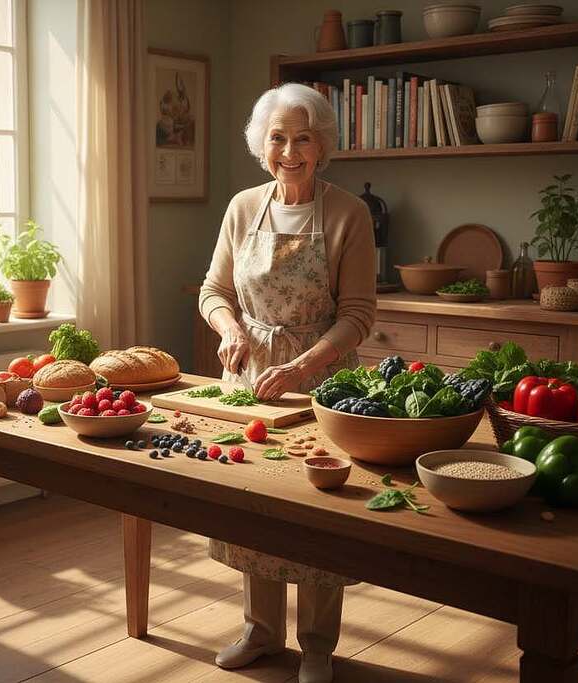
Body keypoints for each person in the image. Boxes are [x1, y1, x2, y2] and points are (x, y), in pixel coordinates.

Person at [197, 82, 376, 683]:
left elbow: (358, 316)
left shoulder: (349, 213)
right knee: (256, 505)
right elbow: (214, 292)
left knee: (317, 509)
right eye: (278, 137)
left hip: (322, 379)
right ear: (262, 143)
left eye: (303, 138)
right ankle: (262, 630)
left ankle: (319, 643)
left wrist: (303, 365)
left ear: (321, 145)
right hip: (248, 375)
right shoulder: (242, 207)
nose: (290, 150)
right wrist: (228, 330)